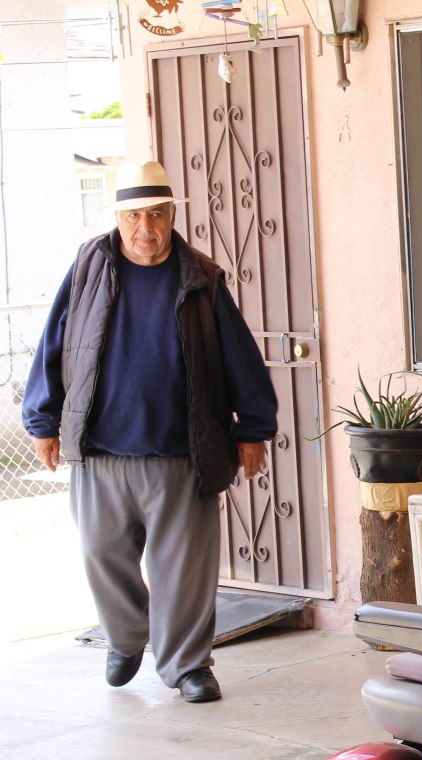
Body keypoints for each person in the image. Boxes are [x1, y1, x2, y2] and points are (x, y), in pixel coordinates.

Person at [22, 160, 278, 703]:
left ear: (171, 217)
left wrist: (252, 430)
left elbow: (239, 357)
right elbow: (57, 343)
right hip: (101, 452)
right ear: (118, 217)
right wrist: (44, 419)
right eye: (135, 215)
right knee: (100, 552)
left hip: (181, 453)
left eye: (157, 215)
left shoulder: (201, 276)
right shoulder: (90, 265)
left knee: (184, 568)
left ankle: (188, 666)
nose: (147, 228)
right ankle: (125, 638)